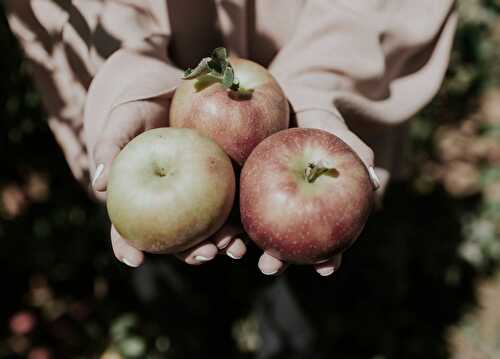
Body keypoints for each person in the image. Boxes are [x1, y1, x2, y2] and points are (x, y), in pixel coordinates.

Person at [6, 0, 456, 273]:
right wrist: (133, 73)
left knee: (306, 287)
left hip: (316, 80)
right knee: (164, 267)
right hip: (165, 135)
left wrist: (318, 85)